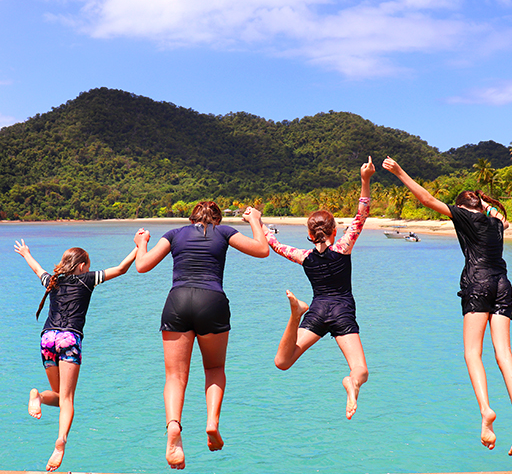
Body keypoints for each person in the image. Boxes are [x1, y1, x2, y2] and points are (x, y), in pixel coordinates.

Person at [382, 156, 512, 453]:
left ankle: (486, 411)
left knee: (472, 353)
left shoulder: (466, 217)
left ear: (463, 209)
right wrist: (485, 202)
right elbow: (499, 215)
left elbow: (427, 199)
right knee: (504, 353)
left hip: (477, 284)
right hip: (503, 284)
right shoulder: (496, 223)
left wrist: (401, 171)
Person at [133, 202, 269, 470]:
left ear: (191, 217)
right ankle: (211, 423)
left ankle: (174, 427)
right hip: (212, 301)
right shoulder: (224, 232)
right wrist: (255, 219)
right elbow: (262, 249)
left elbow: (142, 265)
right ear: (217, 219)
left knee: (174, 376)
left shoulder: (173, 234)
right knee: (215, 367)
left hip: (178, 301)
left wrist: (141, 242)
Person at [262, 156, 375, 420]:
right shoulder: (343, 247)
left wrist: (258, 223)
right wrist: (364, 180)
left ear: (310, 236)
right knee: (360, 370)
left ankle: (296, 313)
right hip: (342, 312)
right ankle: (352, 384)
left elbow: (275, 245)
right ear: (334, 231)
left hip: (317, 310)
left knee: (283, 362)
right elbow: (362, 214)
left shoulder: (303, 256)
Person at [14, 238, 139, 472]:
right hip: (68, 339)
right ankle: (61, 440)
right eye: (88, 265)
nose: (90, 269)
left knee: (61, 396)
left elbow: (37, 268)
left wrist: (26, 253)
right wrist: (139, 246)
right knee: (68, 399)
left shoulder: (53, 280)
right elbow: (121, 268)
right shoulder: (87, 280)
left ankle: (38, 396)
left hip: (47, 338)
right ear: (82, 266)